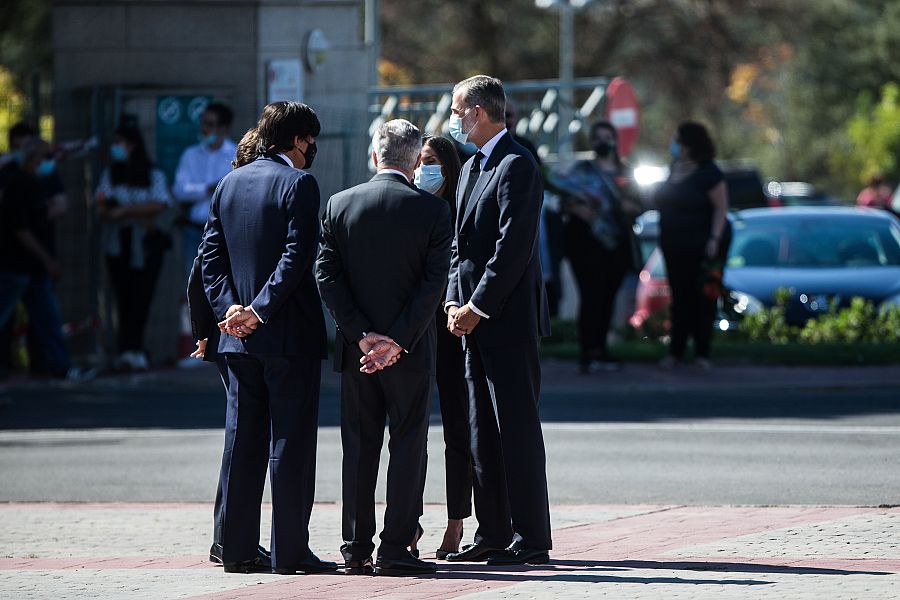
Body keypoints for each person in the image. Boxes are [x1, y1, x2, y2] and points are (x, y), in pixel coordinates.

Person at [201, 101, 334, 575]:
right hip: (288, 336)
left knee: (242, 443)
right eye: (310, 140)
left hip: (236, 339)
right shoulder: (299, 184)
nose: (311, 149)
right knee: (290, 444)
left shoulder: (228, 183)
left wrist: (229, 311)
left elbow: (209, 257)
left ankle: (236, 549)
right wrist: (258, 310)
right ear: (297, 140)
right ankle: (289, 552)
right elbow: (298, 257)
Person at [316, 119, 451, 577]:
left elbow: (326, 276)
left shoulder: (340, 204)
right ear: (415, 162)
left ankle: (356, 549)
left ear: (375, 155)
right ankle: (396, 547)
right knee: (409, 443)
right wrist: (397, 340)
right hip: (410, 351)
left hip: (358, 353)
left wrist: (361, 335)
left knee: (358, 446)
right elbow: (433, 285)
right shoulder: (432, 212)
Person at [444, 75, 552, 566]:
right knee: (480, 431)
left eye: (457, 111)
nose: (453, 119)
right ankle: (492, 532)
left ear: (480, 112)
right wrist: (453, 302)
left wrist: (478, 305)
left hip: (506, 322)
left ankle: (531, 537)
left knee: (516, 429)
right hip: (470, 321)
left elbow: (513, 248)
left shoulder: (517, 164)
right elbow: (458, 247)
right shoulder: (471, 166)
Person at [187, 126, 269, 568]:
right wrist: (208, 330)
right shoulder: (243, 197)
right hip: (238, 332)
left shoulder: (228, 194)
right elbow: (202, 267)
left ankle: (227, 535)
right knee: (244, 439)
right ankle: (229, 537)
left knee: (240, 437)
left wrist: (205, 330)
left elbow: (201, 268)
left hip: (226, 331)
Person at [415, 134, 470, 559]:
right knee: (411, 431)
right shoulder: (409, 207)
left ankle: (456, 521)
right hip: (413, 328)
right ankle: (408, 520)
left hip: (450, 326)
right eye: (418, 161)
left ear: (449, 168)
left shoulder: (459, 210)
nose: (422, 169)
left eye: (431, 161)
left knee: (457, 428)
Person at [557, 121, 642, 373]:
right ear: (592, 142)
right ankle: (588, 352)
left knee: (607, 298)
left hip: (616, 246)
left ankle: (602, 349)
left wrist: (627, 207)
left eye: (608, 137)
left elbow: (639, 204)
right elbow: (562, 202)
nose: (603, 142)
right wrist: (578, 209)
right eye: (598, 137)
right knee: (590, 296)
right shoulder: (581, 171)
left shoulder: (625, 172)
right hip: (584, 245)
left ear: (615, 140)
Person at [95, 123, 172, 371]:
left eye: (119, 142)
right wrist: (119, 212)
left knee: (142, 296)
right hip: (119, 244)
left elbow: (160, 203)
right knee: (123, 296)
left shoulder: (152, 173)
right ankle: (126, 349)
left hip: (146, 244)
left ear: (132, 145)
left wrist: (126, 211)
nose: (115, 148)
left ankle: (136, 348)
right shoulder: (110, 174)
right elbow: (102, 205)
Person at [653, 121, 729, 371]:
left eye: (677, 140)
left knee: (703, 299)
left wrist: (714, 239)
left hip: (703, 248)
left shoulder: (709, 173)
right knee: (680, 298)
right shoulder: (673, 168)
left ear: (689, 144)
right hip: (674, 247)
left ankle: (702, 353)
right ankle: (676, 351)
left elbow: (721, 208)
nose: (673, 145)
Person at [0, 137, 72, 378]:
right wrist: (46, 259)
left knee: (47, 317)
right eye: (46, 157)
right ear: (33, 159)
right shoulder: (18, 184)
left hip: (33, 268)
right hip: (16, 266)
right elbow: (21, 229)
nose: (50, 162)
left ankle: (62, 365)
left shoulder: (37, 183)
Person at [174, 102, 236, 276]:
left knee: (223, 282)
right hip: (194, 230)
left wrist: (198, 190)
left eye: (209, 124)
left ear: (223, 128)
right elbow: (179, 191)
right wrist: (209, 188)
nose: (203, 129)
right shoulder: (190, 154)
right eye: (202, 123)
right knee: (192, 282)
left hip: (225, 233)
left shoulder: (236, 154)